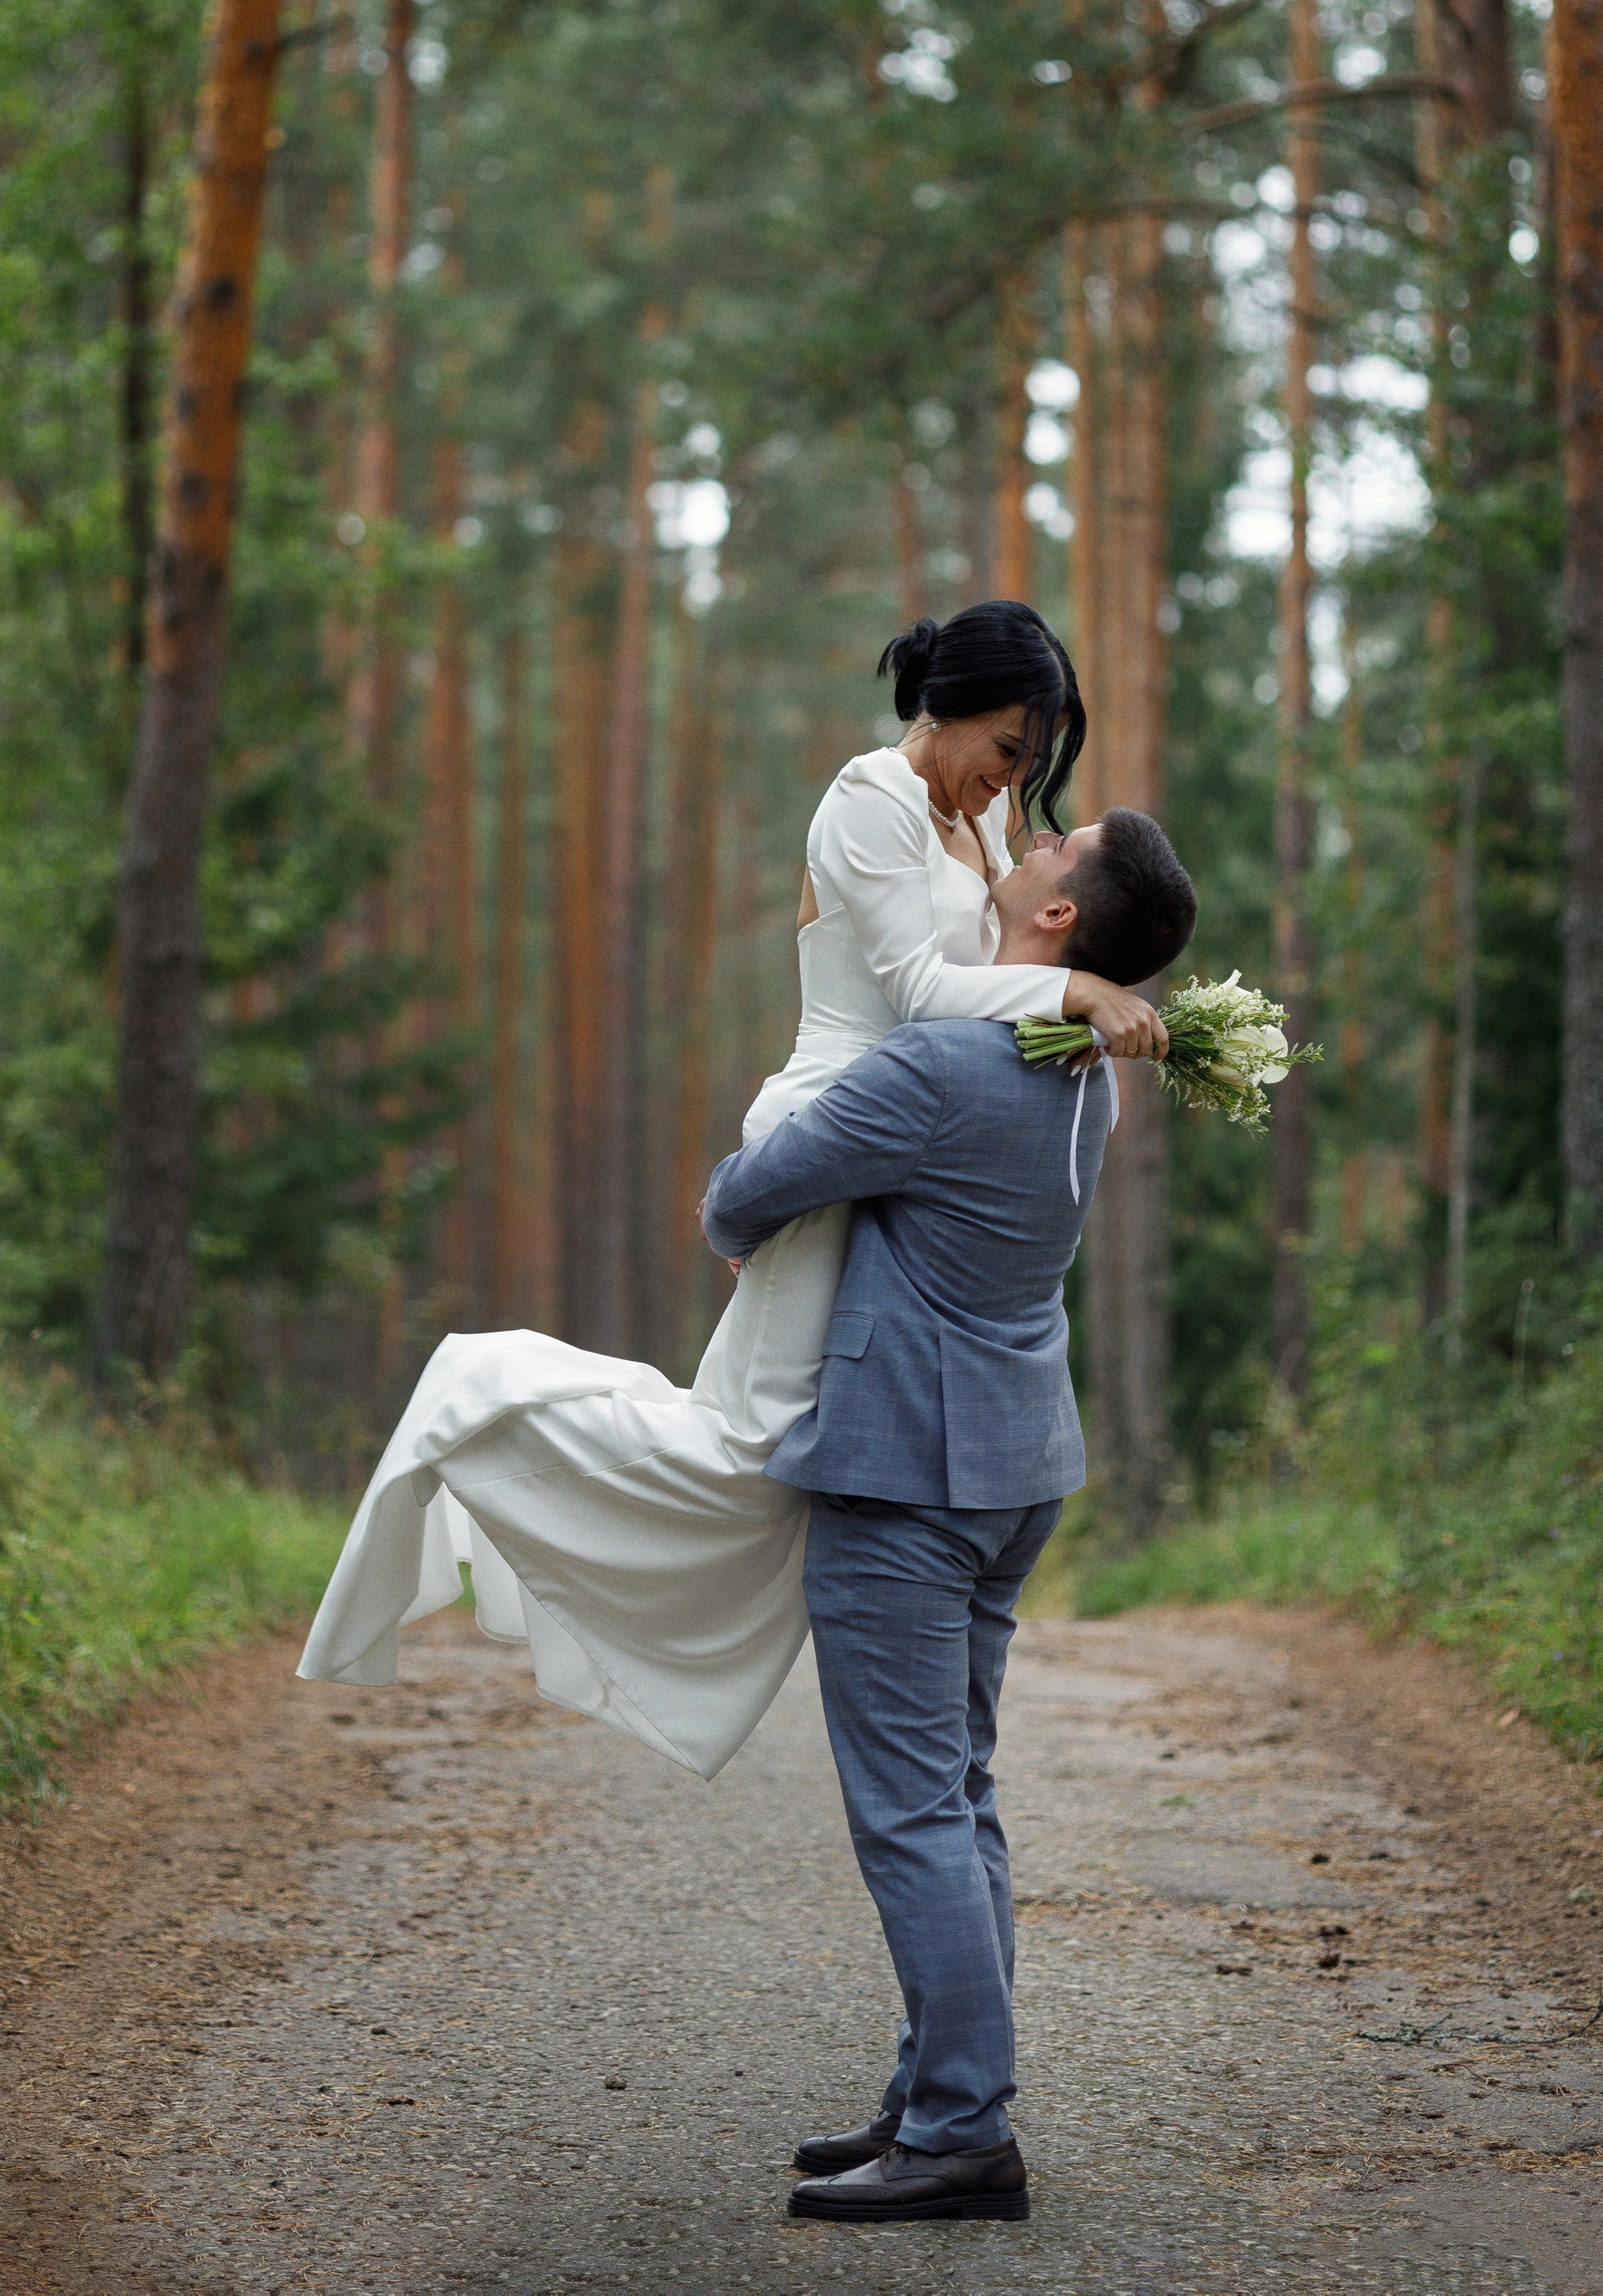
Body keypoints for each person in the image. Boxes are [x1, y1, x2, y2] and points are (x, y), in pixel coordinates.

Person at [298, 601, 1167, 1779]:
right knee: (740, 1447)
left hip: (903, 1154)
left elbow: (1001, 966)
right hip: (831, 1129)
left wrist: (1078, 1015)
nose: (1015, 781)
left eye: (1031, 760)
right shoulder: (869, 798)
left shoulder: (987, 811)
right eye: (1008, 748)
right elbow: (919, 991)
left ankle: (681, 1633)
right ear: (945, 705)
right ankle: (479, 1395)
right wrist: (1073, 1004)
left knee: (777, 1457)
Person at [699, 809, 1198, 2224]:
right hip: (1015, 1460)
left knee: (912, 1808)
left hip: (907, 1473)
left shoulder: (938, 1065)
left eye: (1061, 843)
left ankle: (965, 2130)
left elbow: (748, 1194)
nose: (1033, 840)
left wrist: (731, 1213)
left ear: (1056, 917)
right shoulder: (1079, 1069)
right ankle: (938, 2098)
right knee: (958, 1791)